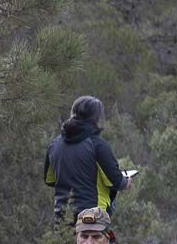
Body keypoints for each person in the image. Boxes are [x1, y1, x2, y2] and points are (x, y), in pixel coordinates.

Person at [44, 96, 130, 224]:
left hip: (62, 216)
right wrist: (126, 182)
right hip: (93, 218)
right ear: (96, 118)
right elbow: (115, 182)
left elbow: (50, 180)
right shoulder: (98, 145)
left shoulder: (54, 145)